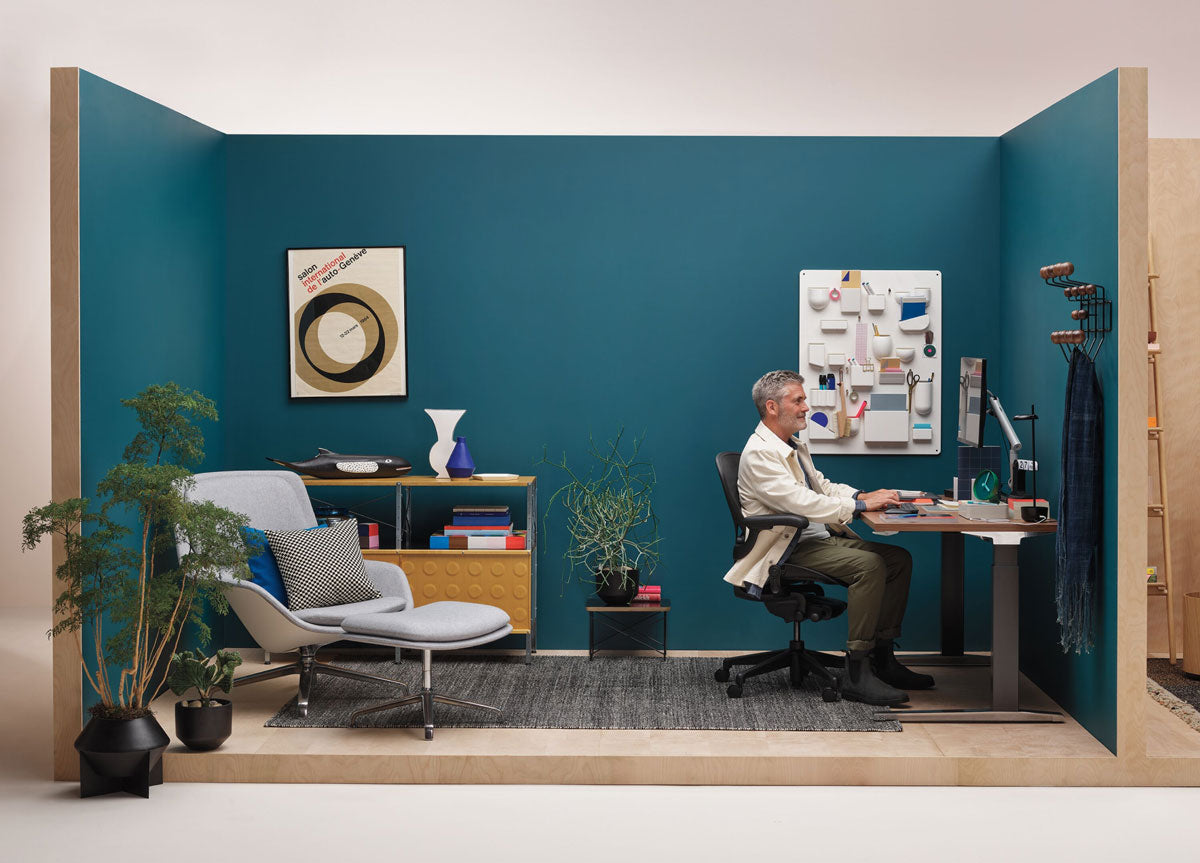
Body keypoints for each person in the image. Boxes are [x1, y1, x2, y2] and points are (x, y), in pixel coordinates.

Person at [722, 369, 935, 706]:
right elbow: (800, 503)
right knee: (871, 565)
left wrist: (863, 493)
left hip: (814, 539)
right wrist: (861, 505)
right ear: (773, 407)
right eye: (799, 400)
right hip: (787, 549)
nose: (806, 407)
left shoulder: (789, 444)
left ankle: (883, 659)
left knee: (898, 559)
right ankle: (856, 673)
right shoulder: (761, 453)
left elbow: (820, 486)